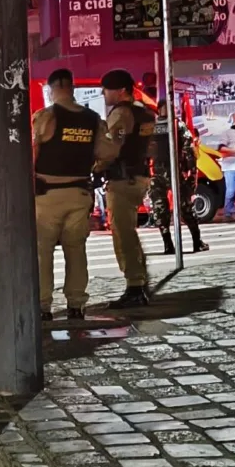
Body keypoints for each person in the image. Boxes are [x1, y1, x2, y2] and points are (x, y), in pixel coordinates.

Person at [32, 69, 118, 321]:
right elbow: (108, 152)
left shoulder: (46, 116)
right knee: (76, 250)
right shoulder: (93, 119)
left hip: (47, 194)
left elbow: (32, 153)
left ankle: (42, 306)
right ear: (72, 87)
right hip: (79, 193)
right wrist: (91, 165)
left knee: (42, 252)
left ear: (50, 90)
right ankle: (76, 305)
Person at [100, 69, 156, 308]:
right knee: (129, 232)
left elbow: (112, 147)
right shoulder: (144, 113)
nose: (104, 94)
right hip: (139, 176)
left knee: (123, 234)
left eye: (107, 89)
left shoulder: (121, 114)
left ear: (120, 90)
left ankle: (134, 286)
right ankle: (139, 281)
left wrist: (94, 166)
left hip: (123, 180)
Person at [148, 100, 209, 254]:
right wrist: (190, 170)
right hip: (175, 170)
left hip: (156, 171)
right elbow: (189, 148)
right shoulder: (177, 125)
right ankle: (197, 242)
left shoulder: (151, 127)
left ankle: (168, 245)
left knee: (159, 208)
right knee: (186, 207)